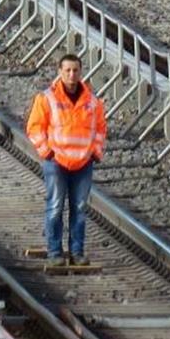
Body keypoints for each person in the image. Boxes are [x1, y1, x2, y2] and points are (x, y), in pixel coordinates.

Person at [26, 54, 106, 267]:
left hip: (82, 163)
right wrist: (47, 153)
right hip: (57, 162)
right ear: (60, 72)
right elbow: (34, 127)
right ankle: (55, 252)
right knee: (55, 206)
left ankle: (77, 252)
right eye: (68, 70)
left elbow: (100, 129)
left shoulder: (92, 101)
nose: (72, 75)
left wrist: (94, 153)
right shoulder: (47, 98)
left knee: (79, 208)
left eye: (75, 70)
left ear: (81, 72)